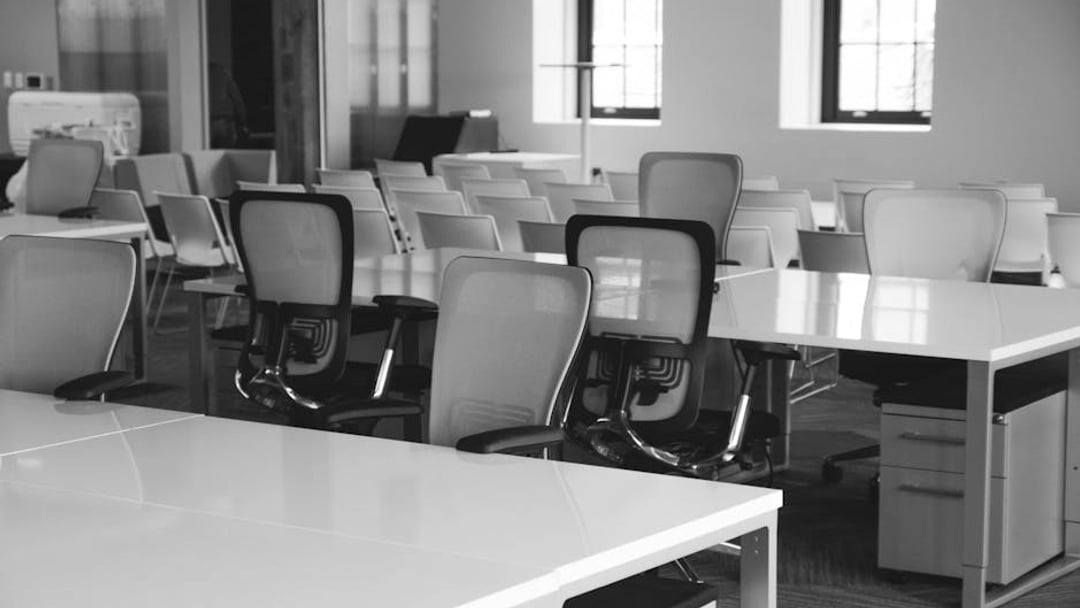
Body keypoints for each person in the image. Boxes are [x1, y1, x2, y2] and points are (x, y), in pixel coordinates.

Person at [207, 61, 248, 148]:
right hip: (225, 122)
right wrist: (242, 122)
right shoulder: (224, 73)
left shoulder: (198, 75)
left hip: (207, 122)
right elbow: (237, 100)